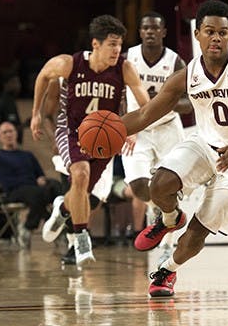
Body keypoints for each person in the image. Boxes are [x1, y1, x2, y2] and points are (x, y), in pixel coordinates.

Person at [121, 0, 228, 297]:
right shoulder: (187, 74)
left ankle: (167, 271)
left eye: (222, 32)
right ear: (198, 35)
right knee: (159, 185)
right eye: (209, 31)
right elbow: (145, 115)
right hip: (205, 146)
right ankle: (170, 218)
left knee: (194, 234)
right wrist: (112, 130)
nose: (216, 38)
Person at [30, 14, 150, 266]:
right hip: (71, 130)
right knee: (81, 174)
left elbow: (145, 106)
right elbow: (43, 75)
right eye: (111, 44)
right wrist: (36, 115)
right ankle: (81, 235)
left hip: (105, 137)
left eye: (119, 44)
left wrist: (133, 129)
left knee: (83, 191)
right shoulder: (69, 64)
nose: (117, 50)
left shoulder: (125, 69)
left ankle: (62, 210)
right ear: (95, 44)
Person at [122, 11, 192, 251]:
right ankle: (161, 212)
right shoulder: (127, 58)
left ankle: (168, 243)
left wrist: (165, 101)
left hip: (167, 128)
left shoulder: (175, 62)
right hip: (137, 130)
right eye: (145, 28)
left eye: (155, 28)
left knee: (171, 184)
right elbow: (118, 95)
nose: (150, 32)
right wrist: (125, 125)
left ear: (163, 32)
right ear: (140, 32)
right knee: (140, 188)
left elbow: (189, 101)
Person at [0, 121, 60, 248]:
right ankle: (30, 227)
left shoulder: (27, 155)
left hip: (34, 188)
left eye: (11, 131)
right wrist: (35, 182)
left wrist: (41, 179)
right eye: (4, 132)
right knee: (38, 193)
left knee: (57, 187)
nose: (8, 135)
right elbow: (6, 182)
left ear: (16, 134)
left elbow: (40, 174)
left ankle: (58, 223)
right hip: (15, 191)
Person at [0, 74, 25, 145]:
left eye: (18, 82)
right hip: (6, 143)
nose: (18, 85)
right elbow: (11, 125)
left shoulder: (8, 100)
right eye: (15, 82)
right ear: (6, 84)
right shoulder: (7, 102)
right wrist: (26, 124)